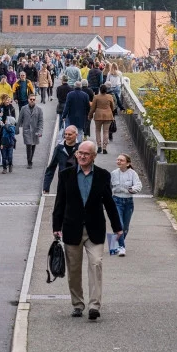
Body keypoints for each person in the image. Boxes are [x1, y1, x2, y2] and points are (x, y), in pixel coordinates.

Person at [52, 141, 122, 320]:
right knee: (74, 270)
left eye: (86, 154)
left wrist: (117, 227)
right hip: (71, 228)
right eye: (79, 153)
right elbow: (60, 202)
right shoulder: (65, 175)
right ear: (76, 155)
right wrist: (56, 227)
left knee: (96, 264)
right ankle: (77, 304)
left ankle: (94, 305)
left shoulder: (103, 175)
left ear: (93, 156)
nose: (82, 156)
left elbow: (109, 202)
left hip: (95, 229)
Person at [110, 154, 142, 256]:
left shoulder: (133, 174)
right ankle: (121, 247)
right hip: (116, 201)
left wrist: (131, 190)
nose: (119, 162)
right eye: (118, 160)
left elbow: (138, 185)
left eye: (121, 160)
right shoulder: (114, 173)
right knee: (119, 225)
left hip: (128, 202)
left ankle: (113, 244)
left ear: (127, 163)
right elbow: (107, 187)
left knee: (125, 227)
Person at [42, 125, 80, 193]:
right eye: (65, 134)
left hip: (78, 182)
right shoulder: (59, 148)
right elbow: (51, 168)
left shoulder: (81, 147)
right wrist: (46, 187)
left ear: (76, 135)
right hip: (63, 182)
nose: (67, 136)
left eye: (70, 134)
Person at [18, 94, 44, 169]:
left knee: (33, 145)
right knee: (28, 145)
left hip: (35, 130)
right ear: (28, 100)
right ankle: (29, 162)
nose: (32, 101)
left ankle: (30, 159)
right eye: (31, 99)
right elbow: (20, 119)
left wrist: (40, 131)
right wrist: (16, 129)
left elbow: (41, 121)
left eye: (33, 99)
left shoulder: (39, 110)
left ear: (35, 100)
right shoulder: (23, 108)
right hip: (26, 130)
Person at [89, 86, 116, 154]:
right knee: (106, 131)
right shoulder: (110, 97)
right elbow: (113, 107)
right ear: (106, 90)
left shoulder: (96, 97)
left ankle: (99, 146)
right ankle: (104, 147)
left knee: (97, 131)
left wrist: (90, 115)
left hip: (98, 115)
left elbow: (93, 108)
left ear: (100, 90)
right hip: (108, 116)